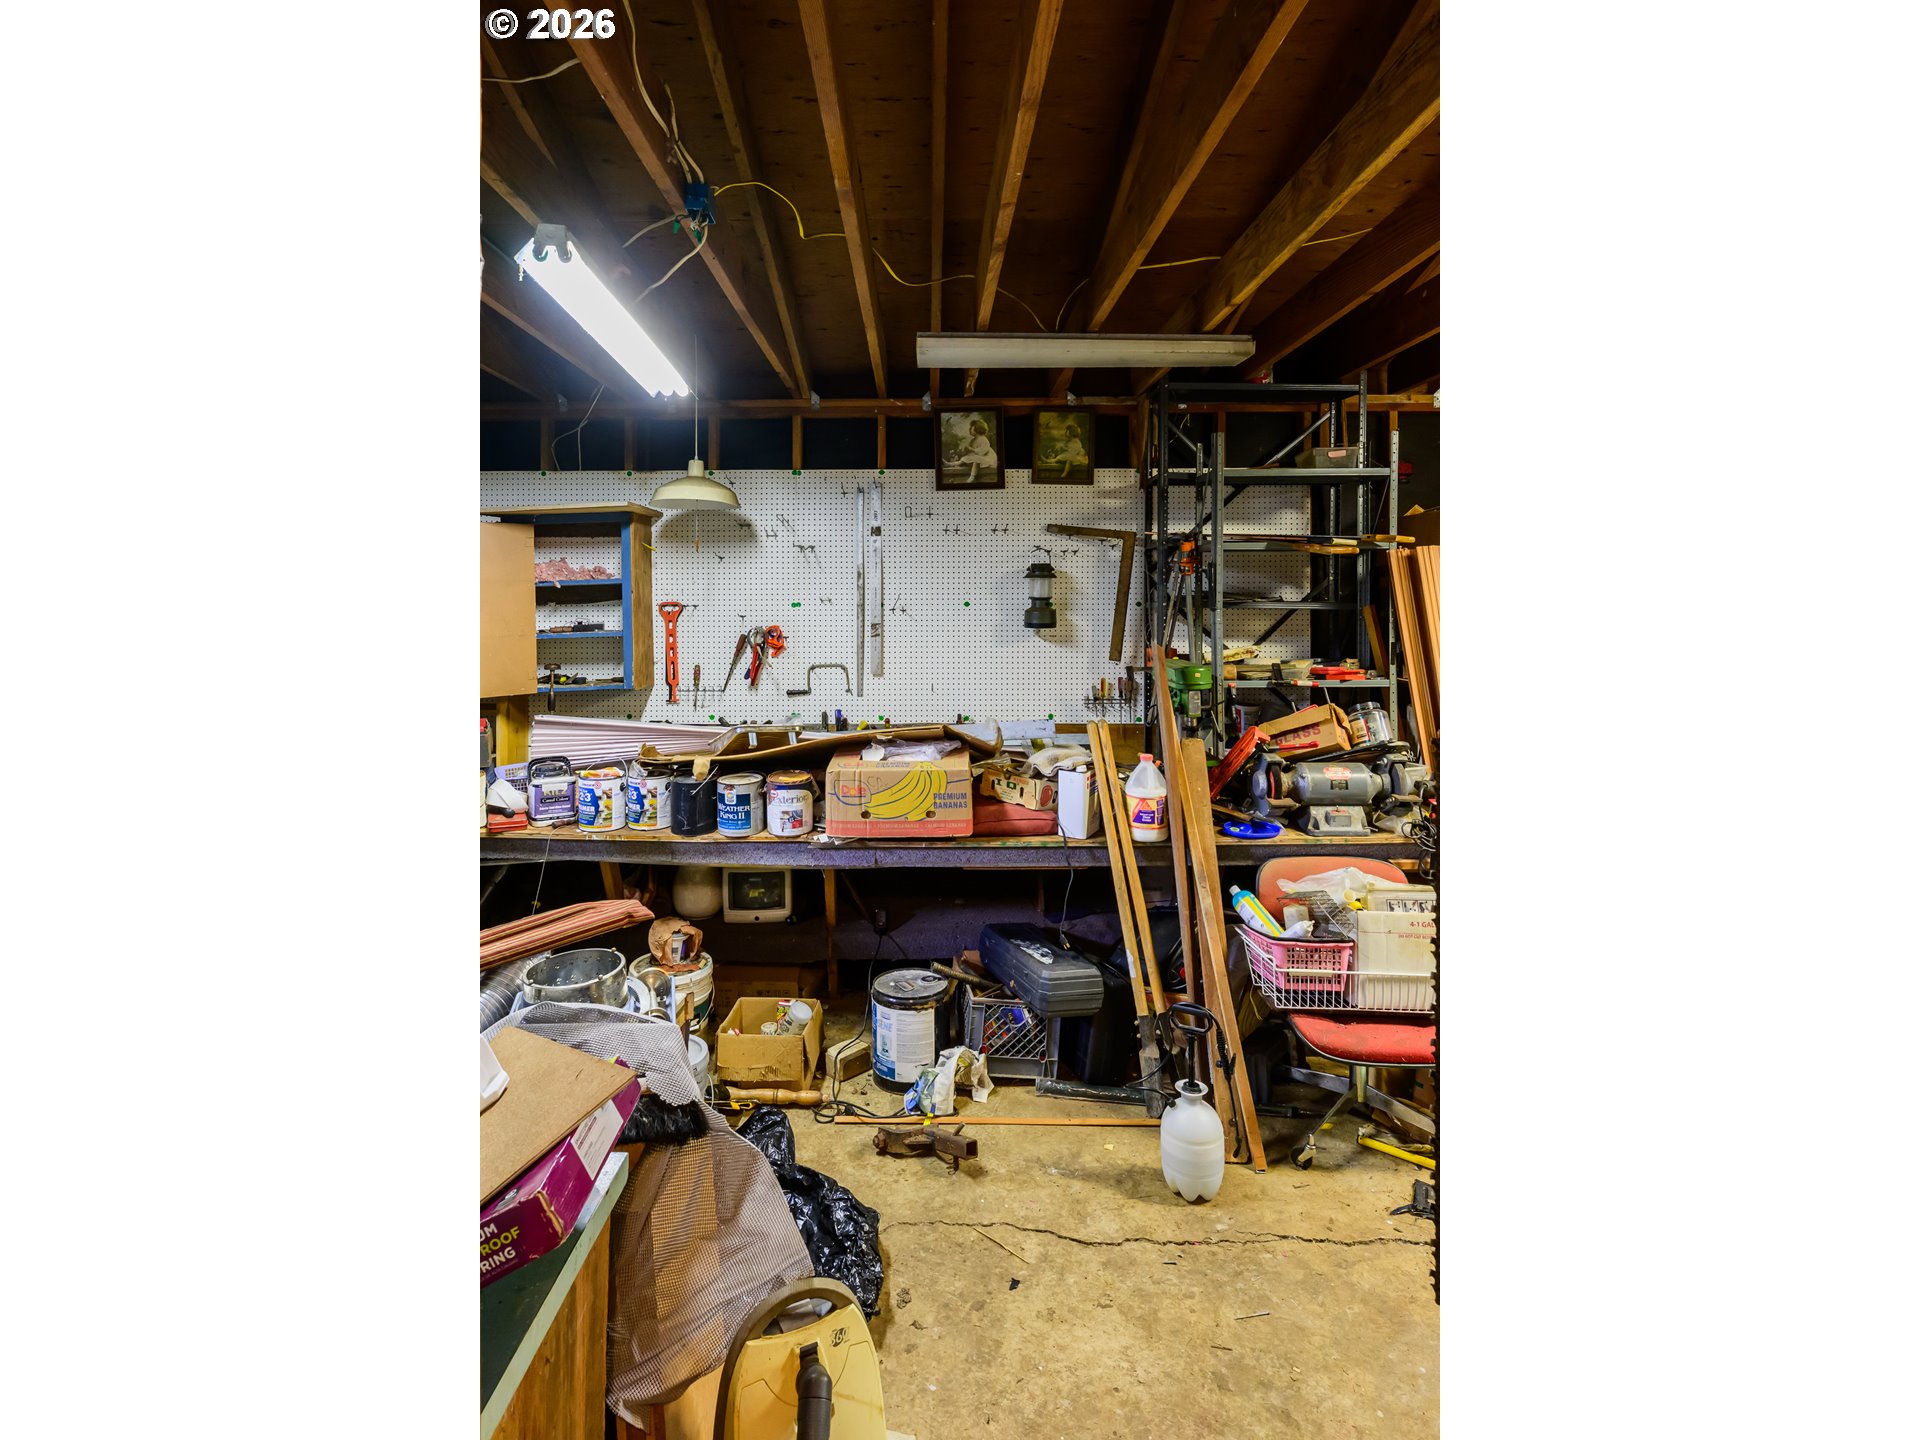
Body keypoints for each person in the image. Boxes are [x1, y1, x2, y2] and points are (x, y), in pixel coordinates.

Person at [946, 416, 998, 483]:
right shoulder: (973, 440)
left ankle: (972, 477)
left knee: (976, 459)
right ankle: (952, 464)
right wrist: (965, 449)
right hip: (980, 458)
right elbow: (971, 453)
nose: (969, 429)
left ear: (977, 429)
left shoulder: (984, 439)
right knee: (969, 457)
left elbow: (982, 452)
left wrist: (971, 449)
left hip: (989, 459)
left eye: (971, 428)